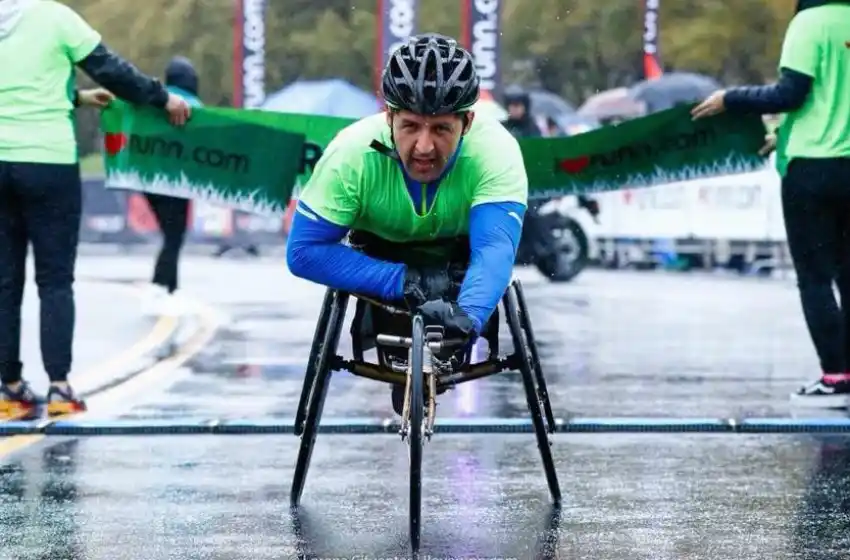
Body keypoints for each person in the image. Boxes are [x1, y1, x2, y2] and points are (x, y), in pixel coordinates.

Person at [286, 33, 528, 415]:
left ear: (467, 122)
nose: (424, 147)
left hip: (461, 262)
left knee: (471, 296)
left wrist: (467, 320)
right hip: (383, 259)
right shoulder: (351, 154)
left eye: (441, 129)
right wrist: (405, 282)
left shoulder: (496, 150)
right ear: (389, 117)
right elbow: (302, 252)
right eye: (411, 126)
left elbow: (495, 250)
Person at [0, 0, 191, 420]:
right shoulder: (52, 17)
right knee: (54, 279)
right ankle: (59, 389)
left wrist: (76, 97)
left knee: (4, 281)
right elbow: (111, 69)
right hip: (47, 161)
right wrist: (162, 99)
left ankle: (9, 390)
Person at [691, 0, 850, 407]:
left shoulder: (810, 22)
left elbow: (791, 93)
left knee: (814, 277)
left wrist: (732, 98)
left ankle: (836, 378)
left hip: (811, 170)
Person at [142, 56, 203, 314]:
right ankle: (160, 287)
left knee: (172, 234)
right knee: (174, 234)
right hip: (178, 181)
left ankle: (170, 289)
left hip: (147, 178)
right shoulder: (193, 106)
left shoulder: (153, 101)